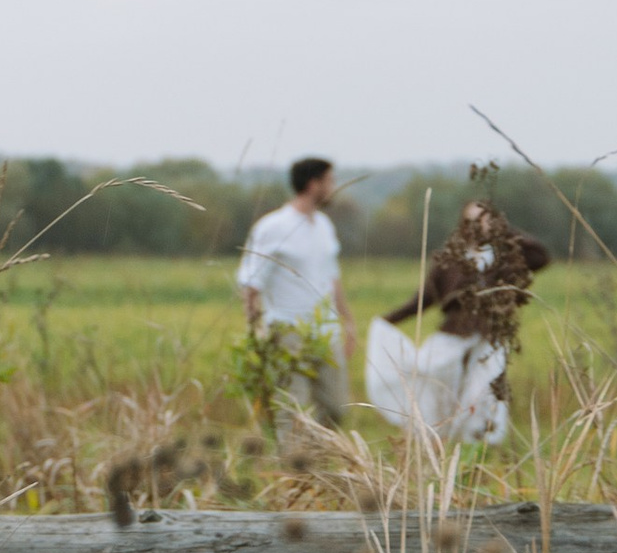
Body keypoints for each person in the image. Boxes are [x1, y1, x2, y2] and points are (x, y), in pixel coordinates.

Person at [365, 195, 551, 446]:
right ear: (463, 224)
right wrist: (386, 321)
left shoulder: (507, 257)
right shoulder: (449, 260)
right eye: (473, 220)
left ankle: (477, 447)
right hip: (453, 335)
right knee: (436, 383)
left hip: (490, 339)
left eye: (485, 220)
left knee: (481, 393)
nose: (479, 226)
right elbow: (423, 300)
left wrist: (505, 231)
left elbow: (541, 257)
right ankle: (437, 440)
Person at [235, 155, 355, 428]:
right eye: (330, 181)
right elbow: (251, 284)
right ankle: (293, 456)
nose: (334, 187)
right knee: (292, 409)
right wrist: (255, 332)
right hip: (287, 330)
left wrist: (348, 321)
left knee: (336, 407)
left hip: (325, 332)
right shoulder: (273, 227)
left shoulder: (324, 226)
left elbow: (332, 278)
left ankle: (320, 455)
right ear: (313, 184)